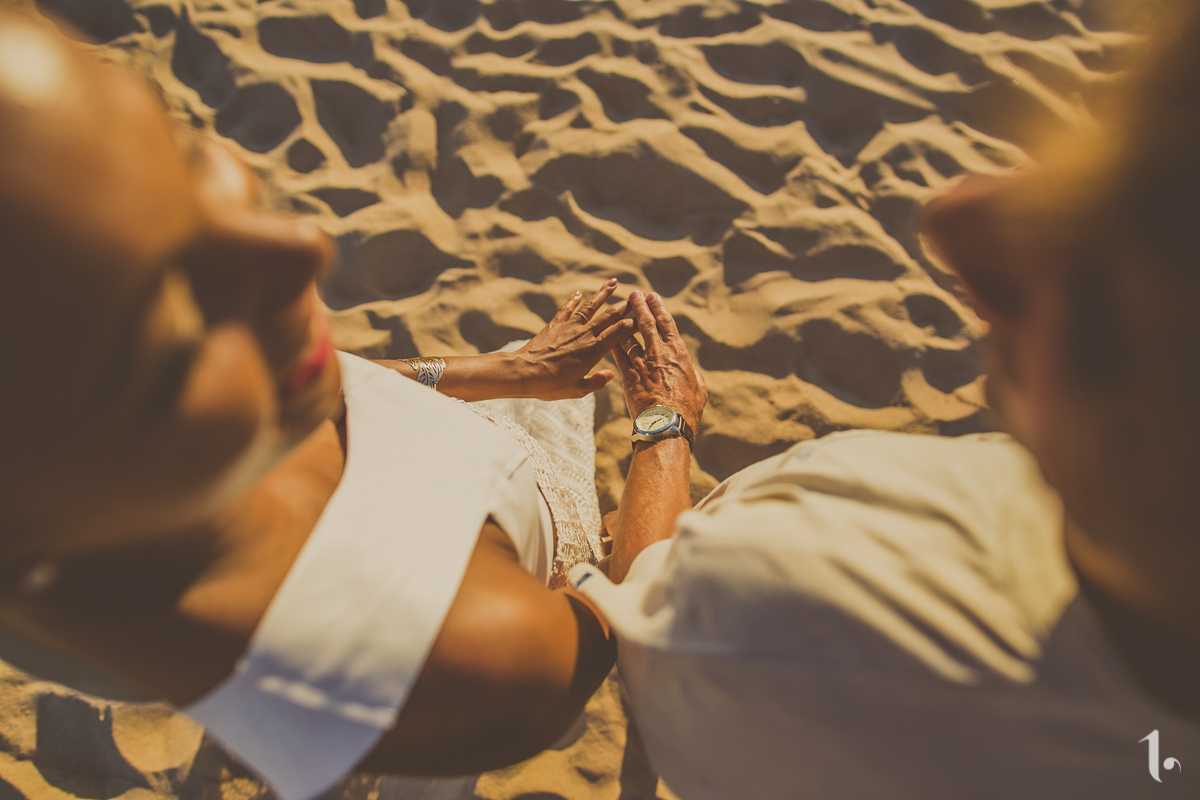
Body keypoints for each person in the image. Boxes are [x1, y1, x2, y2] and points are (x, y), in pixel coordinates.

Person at [0, 11, 694, 800]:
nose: (301, 247)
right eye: (181, 326)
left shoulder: (115, 459)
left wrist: (509, 371)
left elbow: (347, 386)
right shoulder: (472, 661)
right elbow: (632, 627)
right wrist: (663, 429)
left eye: (183, 157)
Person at [572, 4, 1200, 798]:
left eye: (1103, 231)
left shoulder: (795, 632)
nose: (958, 216)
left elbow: (641, 617)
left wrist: (664, 423)